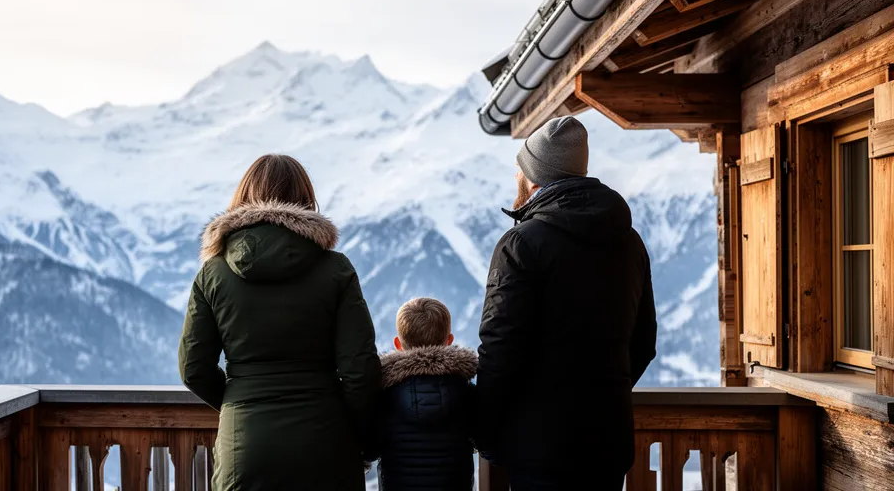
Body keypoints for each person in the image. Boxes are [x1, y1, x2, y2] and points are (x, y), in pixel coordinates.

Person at [178, 154, 381, 491]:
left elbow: (193, 368)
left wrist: (238, 401)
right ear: (306, 200)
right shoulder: (336, 270)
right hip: (326, 443)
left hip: (244, 448)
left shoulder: (212, 274)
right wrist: (358, 436)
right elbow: (360, 370)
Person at [476, 116, 658, 490]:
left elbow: (500, 347)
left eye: (519, 170)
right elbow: (644, 342)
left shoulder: (522, 244)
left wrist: (488, 429)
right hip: (607, 441)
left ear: (534, 177)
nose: (516, 179)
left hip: (539, 447)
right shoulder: (630, 242)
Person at [367, 297, 477, 491]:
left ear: (397, 344)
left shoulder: (384, 397)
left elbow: (371, 447)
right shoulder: (464, 391)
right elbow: (483, 437)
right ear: (449, 341)